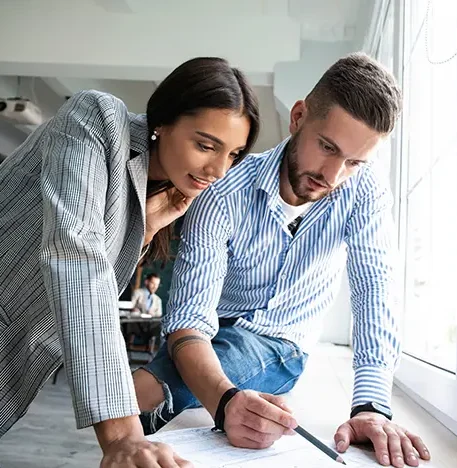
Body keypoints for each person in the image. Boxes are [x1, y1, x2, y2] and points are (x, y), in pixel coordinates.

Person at [133, 53, 431, 468]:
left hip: (281, 344)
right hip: (207, 332)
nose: (334, 174)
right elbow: (189, 320)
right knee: (151, 389)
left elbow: (374, 289)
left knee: (140, 393)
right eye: (327, 147)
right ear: (297, 117)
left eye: (354, 162)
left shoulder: (363, 189)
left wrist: (371, 407)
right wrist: (223, 401)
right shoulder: (222, 188)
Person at [0, 57, 259, 467]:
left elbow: (100, 271)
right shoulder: (96, 119)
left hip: (17, 363)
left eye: (234, 154)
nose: (218, 170)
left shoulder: (154, 197)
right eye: (206, 145)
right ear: (164, 122)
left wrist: (150, 226)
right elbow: (77, 257)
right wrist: (123, 432)